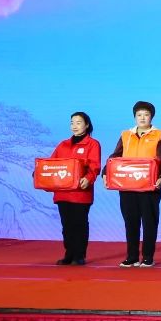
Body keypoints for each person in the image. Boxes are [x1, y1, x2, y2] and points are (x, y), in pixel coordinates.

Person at [110, 100, 161, 268]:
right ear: (135, 117)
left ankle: (148, 257)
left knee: (149, 222)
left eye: (146, 115)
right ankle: (132, 257)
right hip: (127, 186)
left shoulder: (159, 134)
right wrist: (106, 172)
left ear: (151, 117)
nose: (142, 118)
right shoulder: (126, 135)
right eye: (139, 115)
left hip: (149, 186)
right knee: (131, 222)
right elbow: (115, 155)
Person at [50, 111, 101, 265]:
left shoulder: (92, 144)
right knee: (66, 225)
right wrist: (39, 172)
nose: (74, 126)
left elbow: (95, 166)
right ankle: (69, 254)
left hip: (80, 192)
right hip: (63, 192)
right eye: (72, 122)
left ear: (87, 125)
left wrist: (89, 178)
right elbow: (51, 164)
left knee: (79, 224)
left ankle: (79, 255)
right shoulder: (63, 144)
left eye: (79, 122)